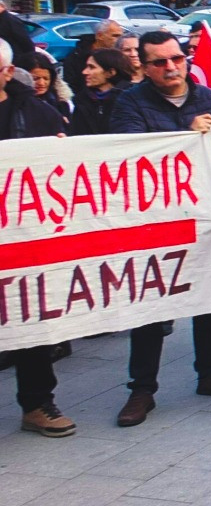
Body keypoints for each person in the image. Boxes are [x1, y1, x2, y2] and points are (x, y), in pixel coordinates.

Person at [109, 31, 211, 427]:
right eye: (159, 62)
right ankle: (142, 388)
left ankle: (210, 372)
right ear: (143, 66)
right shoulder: (130, 104)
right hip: (157, 223)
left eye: (176, 58)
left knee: (209, 300)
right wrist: (185, 136)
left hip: (209, 220)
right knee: (152, 306)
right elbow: (128, 156)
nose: (171, 67)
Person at [0, 39, 77, 438]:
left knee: (30, 320)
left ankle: (37, 403)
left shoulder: (38, 113)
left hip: (23, 238)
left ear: (7, 74)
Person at [70, 48, 133, 135]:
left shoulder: (133, 99)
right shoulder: (82, 101)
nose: (84, 72)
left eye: (91, 67)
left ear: (110, 72)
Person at [63, 19, 126, 95]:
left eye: (121, 36)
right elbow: (70, 85)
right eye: (115, 36)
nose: (120, 40)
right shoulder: (76, 57)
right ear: (99, 35)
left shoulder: (121, 56)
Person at [15, 51, 70, 121]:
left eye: (46, 78)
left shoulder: (61, 105)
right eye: (35, 78)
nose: (41, 83)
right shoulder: (14, 106)